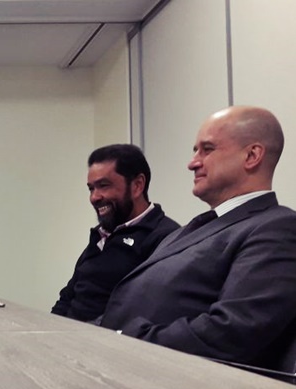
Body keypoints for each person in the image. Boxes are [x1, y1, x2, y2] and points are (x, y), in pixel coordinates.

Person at [100, 106, 296, 372]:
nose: (192, 163)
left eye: (207, 149)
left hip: (168, 376)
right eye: (195, 151)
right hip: (119, 360)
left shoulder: (277, 227)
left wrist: (124, 340)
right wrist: (83, 333)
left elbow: (232, 331)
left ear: (252, 156)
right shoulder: (194, 228)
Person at [51, 144, 179, 322]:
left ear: (137, 185)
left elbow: (144, 312)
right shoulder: (101, 235)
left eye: (103, 186)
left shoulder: (167, 238)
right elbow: (68, 297)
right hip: (66, 334)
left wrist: (79, 334)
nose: (94, 197)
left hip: (103, 337)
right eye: (91, 188)